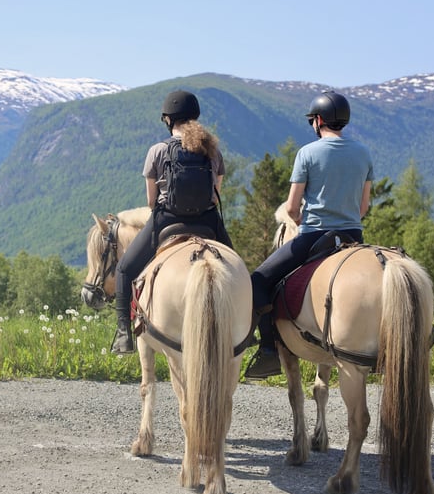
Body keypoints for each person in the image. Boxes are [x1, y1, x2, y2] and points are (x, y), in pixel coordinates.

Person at [246, 91, 374, 378]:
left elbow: (292, 207)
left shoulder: (307, 153)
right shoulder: (363, 153)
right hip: (354, 236)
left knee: (258, 280)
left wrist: (298, 216)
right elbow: (363, 207)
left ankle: (268, 350)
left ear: (318, 121)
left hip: (314, 236)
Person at [110, 90, 234, 354]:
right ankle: (247, 329)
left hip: (167, 220)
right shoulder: (212, 150)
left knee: (124, 269)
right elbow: (215, 194)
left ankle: (123, 334)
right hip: (208, 221)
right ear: (195, 117)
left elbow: (152, 200)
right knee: (238, 271)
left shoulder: (158, 150)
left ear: (168, 119)